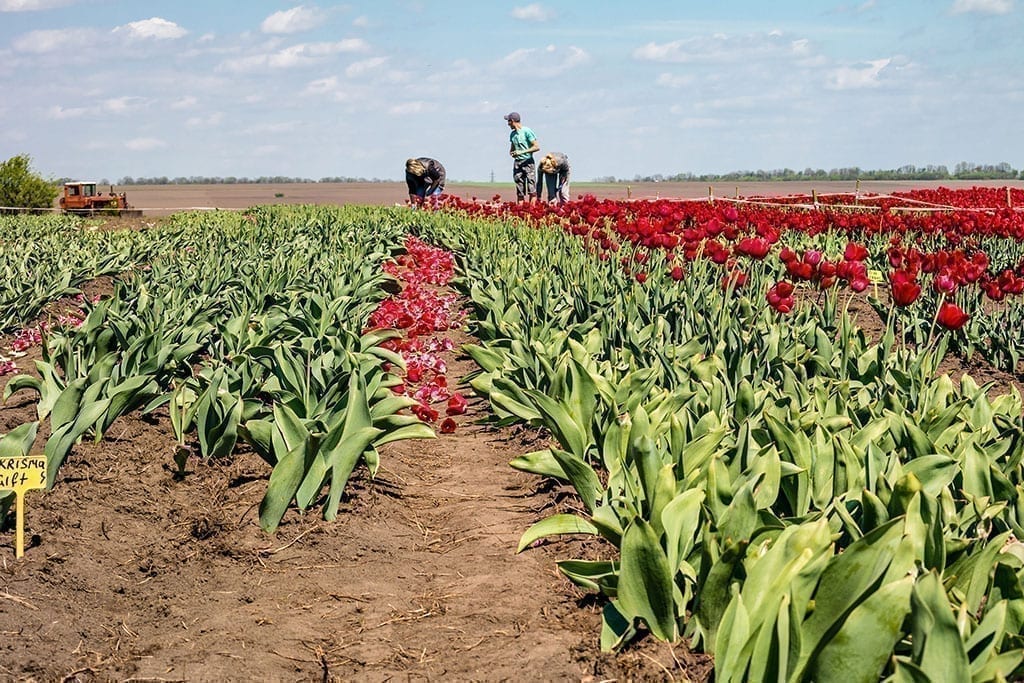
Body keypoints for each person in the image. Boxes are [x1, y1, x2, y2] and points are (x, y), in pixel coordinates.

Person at [504, 112, 539, 202]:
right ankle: (521, 209)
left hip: (528, 162)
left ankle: (532, 209)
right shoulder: (512, 134)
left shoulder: (527, 131)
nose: (508, 124)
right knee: (520, 191)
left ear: (512, 121)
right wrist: (513, 153)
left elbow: (536, 147)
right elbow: (512, 149)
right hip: (517, 163)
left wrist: (521, 152)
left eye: (508, 121)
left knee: (532, 189)